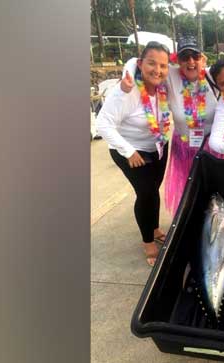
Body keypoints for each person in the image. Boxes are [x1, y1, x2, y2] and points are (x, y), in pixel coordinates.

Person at [119, 36, 224, 216]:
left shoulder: (212, 75)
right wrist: (125, 79)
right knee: (187, 193)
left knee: (215, 191)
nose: (190, 61)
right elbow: (136, 61)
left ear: (202, 59)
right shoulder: (170, 75)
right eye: (185, 57)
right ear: (177, 60)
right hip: (184, 148)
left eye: (195, 56)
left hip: (213, 149)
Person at [95, 41, 171, 267]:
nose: (157, 70)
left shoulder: (162, 88)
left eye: (163, 65)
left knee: (152, 190)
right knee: (145, 193)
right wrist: (128, 151)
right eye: (151, 63)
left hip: (157, 147)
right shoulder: (127, 91)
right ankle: (148, 241)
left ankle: (155, 228)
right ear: (140, 64)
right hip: (129, 151)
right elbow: (103, 124)